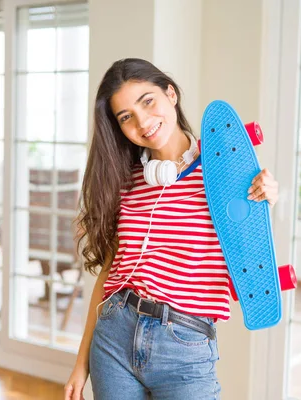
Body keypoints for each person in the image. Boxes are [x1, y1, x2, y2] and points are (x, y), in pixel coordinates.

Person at [64, 58, 279, 400]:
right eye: (126, 117)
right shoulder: (128, 180)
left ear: (171, 94)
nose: (143, 122)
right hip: (114, 336)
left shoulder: (224, 171)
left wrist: (265, 196)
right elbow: (110, 273)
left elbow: (249, 239)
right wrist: (81, 363)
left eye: (147, 101)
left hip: (185, 346)